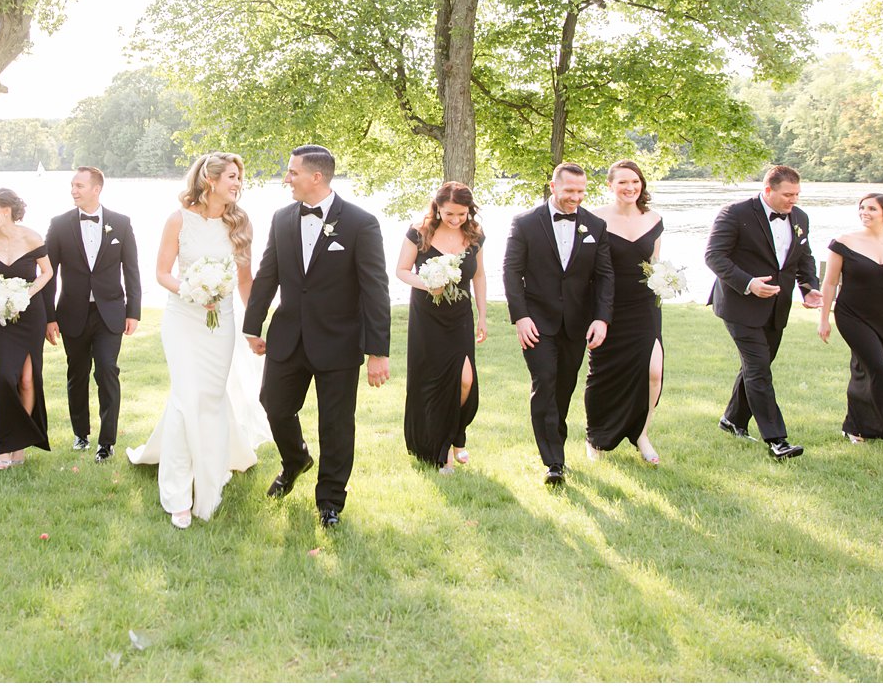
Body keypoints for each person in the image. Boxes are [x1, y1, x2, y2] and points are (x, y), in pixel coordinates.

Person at [243, 145, 391, 529]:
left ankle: (329, 503)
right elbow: (268, 273)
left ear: (316, 177)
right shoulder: (281, 218)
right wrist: (251, 326)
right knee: (273, 404)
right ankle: (295, 459)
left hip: (340, 342)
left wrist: (378, 352)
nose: (286, 179)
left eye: (292, 173)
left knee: (336, 424)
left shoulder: (361, 223)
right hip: (288, 335)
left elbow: (376, 289)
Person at [128, 152, 272, 528]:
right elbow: (162, 273)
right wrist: (190, 290)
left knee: (209, 397)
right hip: (183, 319)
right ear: (210, 180)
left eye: (239, 177)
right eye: (231, 177)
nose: (238, 183)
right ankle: (177, 493)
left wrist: (253, 326)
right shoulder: (178, 220)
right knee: (184, 397)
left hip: (220, 322)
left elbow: (244, 282)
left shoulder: (240, 223)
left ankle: (210, 476)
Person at [503, 162, 614, 485]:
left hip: (577, 324)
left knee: (564, 387)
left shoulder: (595, 225)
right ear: (553, 187)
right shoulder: (525, 223)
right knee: (545, 381)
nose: (575, 198)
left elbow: (605, 276)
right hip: (536, 321)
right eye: (569, 191)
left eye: (581, 192)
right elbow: (511, 272)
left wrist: (601, 319)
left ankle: (556, 445)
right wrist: (520, 317)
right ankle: (553, 461)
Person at [705, 164, 822, 460]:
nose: (792, 200)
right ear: (768, 190)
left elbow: (803, 256)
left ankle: (732, 419)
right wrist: (748, 283)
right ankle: (778, 440)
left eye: (796, 194)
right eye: (787, 195)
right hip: (739, 304)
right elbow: (714, 256)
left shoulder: (800, 217)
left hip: (777, 307)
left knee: (756, 367)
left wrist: (809, 287)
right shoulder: (735, 213)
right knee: (759, 369)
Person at [43, 166, 141, 463]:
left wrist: (133, 311)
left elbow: (131, 269)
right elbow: (49, 273)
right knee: (77, 373)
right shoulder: (59, 224)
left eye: (79, 185)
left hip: (110, 311)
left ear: (96, 189)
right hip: (72, 312)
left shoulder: (120, 223)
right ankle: (81, 434)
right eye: (72, 185)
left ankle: (106, 442)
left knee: (107, 370)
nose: (73, 190)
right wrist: (49, 317)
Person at [817, 192, 883, 459]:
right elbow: (829, 283)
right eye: (862, 208)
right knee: (878, 369)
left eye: (871, 208)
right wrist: (824, 318)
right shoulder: (843, 242)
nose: (864, 212)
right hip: (851, 314)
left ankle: (855, 427)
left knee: (864, 369)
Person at [395, 181, 487, 473]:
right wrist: (428, 283)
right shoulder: (420, 232)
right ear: (437, 208)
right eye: (450, 214)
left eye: (462, 214)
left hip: (459, 316)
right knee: (432, 381)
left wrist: (482, 314)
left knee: (465, 380)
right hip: (427, 317)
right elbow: (400, 271)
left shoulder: (474, 235)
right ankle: (441, 448)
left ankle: (457, 433)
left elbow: (480, 276)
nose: (456, 219)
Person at [585, 160, 665, 464]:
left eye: (635, 181)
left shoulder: (654, 219)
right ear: (610, 186)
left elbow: (656, 261)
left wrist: (665, 280)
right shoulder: (594, 218)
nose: (630, 187)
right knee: (603, 374)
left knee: (653, 371)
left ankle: (642, 433)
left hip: (645, 304)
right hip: (607, 304)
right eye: (622, 182)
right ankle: (595, 437)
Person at [0, 188, 53, 470]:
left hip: (30, 316)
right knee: (5, 378)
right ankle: (4, 443)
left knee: (28, 381)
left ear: (5, 211)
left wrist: (26, 295)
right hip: (1, 318)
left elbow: (48, 272)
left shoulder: (32, 237)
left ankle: (18, 447)